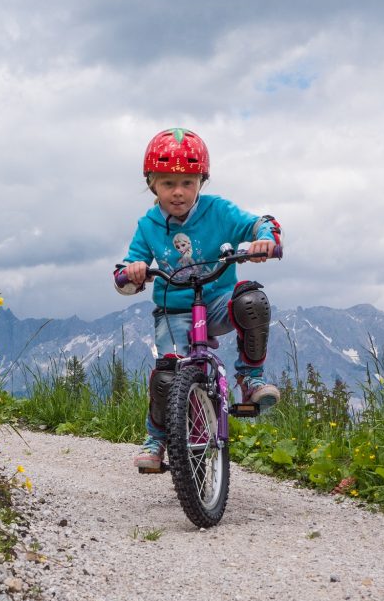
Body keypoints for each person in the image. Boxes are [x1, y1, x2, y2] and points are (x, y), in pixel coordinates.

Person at [114, 128, 283, 471]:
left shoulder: (218, 211)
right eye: (167, 184)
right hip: (174, 310)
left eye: (188, 183)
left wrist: (264, 239)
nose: (178, 192)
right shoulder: (147, 225)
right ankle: (157, 438)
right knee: (168, 372)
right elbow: (126, 271)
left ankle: (250, 379)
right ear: (152, 185)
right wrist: (133, 272)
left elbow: (261, 224)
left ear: (200, 182)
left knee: (252, 301)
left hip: (217, 300)